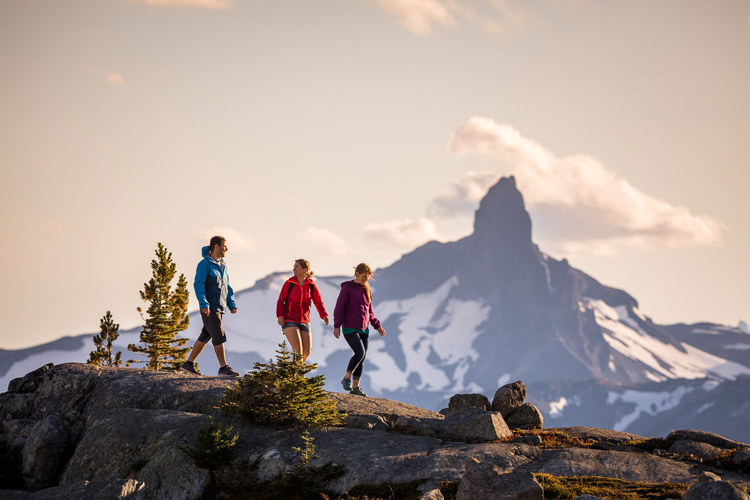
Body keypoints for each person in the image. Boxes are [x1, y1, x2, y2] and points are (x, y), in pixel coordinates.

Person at [180, 236, 240, 377]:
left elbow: (227, 286)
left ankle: (188, 364)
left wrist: (231, 303)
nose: (227, 248)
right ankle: (223, 367)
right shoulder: (204, 264)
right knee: (218, 334)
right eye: (224, 246)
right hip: (210, 307)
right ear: (216, 246)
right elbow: (199, 283)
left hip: (219, 306)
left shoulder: (223, 265)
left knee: (206, 334)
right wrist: (204, 303)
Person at [333, 263, 386, 397]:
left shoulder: (367, 291)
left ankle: (355, 388)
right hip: (349, 327)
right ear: (357, 273)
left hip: (364, 329)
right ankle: (346, 378)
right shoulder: (347, 289)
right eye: (363, 277)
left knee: (362, 358)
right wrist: (337, 326)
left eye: (367, 278)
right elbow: (339, 308)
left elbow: (370, 312)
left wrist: (377, 326)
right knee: (360, 353)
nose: (365, 280)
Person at [276, 259, 329, 362]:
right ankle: (296, 376)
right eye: (294, 266)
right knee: (298, 350)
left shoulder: (311, 285)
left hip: (305, 321)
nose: (294, 269)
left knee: (306, 352)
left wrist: (324, 315)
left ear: (305, 270)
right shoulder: (289, 283)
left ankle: (298, 374)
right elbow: (281, 300)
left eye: (297, 267)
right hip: (290, 320)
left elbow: (318, 302)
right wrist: (280, 316)